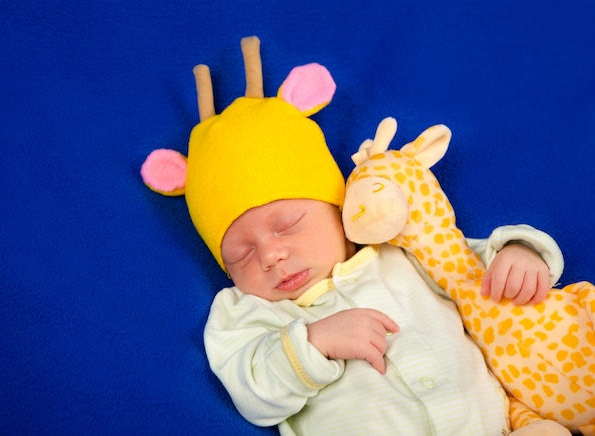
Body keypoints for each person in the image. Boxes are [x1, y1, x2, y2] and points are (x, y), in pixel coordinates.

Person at [140, 37, 567, 435]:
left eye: (288, 225)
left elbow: (464, 263)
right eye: (241, 254)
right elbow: (253, 393)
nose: (270, 255)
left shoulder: (400, 252)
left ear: (338, 208)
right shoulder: (247, 314)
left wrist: (521, 253)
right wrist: (313, 342)